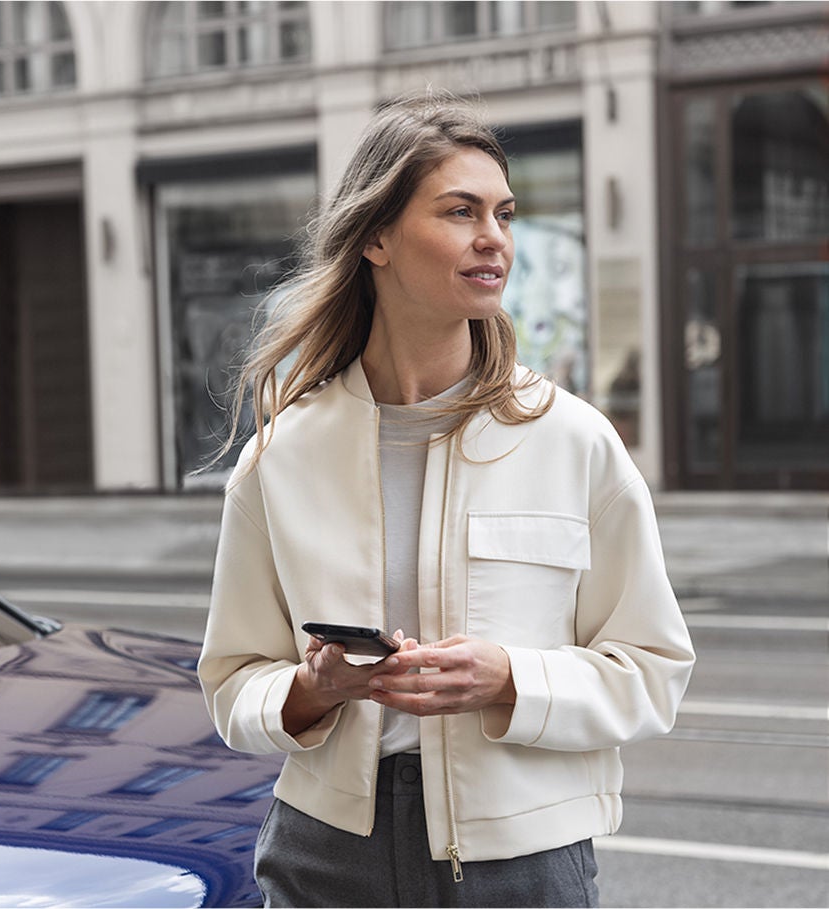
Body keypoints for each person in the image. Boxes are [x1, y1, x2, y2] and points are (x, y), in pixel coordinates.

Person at [198, 93, 695, 909]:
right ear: (378, 238)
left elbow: (653, 670)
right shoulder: (280, 454)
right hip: (325, 854)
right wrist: (314, 689)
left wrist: (509, 679)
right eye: (460, 212)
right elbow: (230, 683)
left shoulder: (572, 439)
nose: (493, 236)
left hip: (522, 861)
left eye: (503, 212)